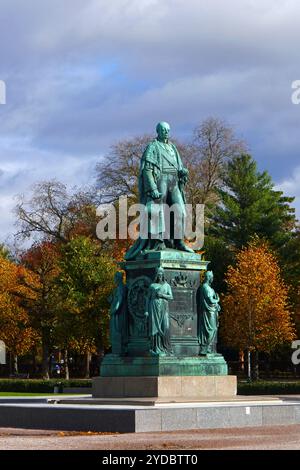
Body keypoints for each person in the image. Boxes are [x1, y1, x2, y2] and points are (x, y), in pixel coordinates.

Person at [125, 121, 193, 260]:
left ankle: (179, 242)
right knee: (159, 212)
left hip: (174, 181)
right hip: (160, 180)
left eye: (167, 129)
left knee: (180, 212)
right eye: (163, 130)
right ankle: (159, 242)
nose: (166, 132)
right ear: (158, 131)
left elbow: (178, 166)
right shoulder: (153, 147)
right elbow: (147, 170)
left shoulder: (173, 148)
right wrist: (153, 188)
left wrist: (182, 172)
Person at [146, 267, 173, 356]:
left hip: (163, 307)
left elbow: (171, 297)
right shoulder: (152, 286)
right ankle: (155, 348)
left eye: (161, 274)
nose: (160, 276)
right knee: (154, 327)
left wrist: (162, 295)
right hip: (153, 307)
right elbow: (148, 298)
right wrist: (146, 310)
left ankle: (164, 347)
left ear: (163, 275)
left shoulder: (167, 285)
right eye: (158, 275)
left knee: (164, 326)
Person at [198, 270, 220, 355]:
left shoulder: (209, 288)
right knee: (211, 329)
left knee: (213, 329)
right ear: (209, 277)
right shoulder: (205, 287)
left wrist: (217, 305)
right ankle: (205, 348)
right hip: (208, 313)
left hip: (212, 311)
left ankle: (208, 348)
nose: (213, 279)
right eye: (212, 277)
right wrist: (217, 300)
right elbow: (210, 300)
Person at [109, 272, 127, 355]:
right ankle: (119, 350)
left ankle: (118, 351)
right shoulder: (122, 287)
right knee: (120, 330)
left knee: (117, 330)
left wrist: (114, 310)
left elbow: (119, 300)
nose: (114, 280)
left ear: (118, 278)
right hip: (120, 312)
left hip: (118, 313)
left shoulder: (120, 288)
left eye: (115, 278)